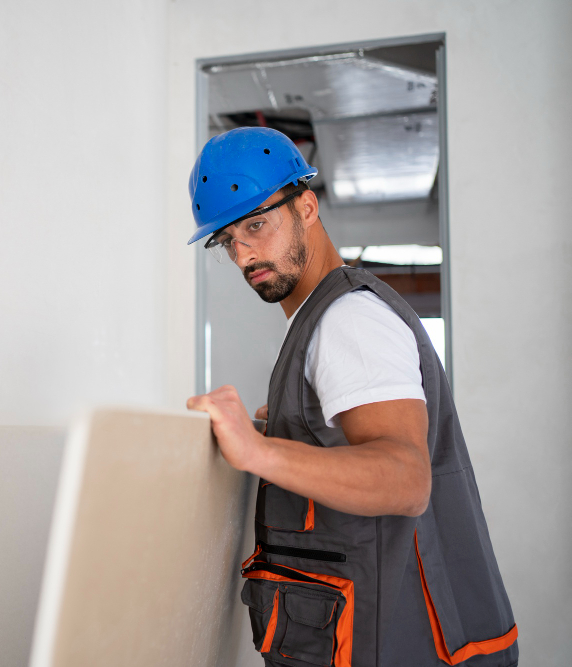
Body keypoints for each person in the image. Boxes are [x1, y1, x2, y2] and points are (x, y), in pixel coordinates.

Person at [184, 127, 517, 667]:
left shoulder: (348, 321)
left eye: (257, 224)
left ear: (307, 206)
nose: (244, 255)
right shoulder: (329, 316)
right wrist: (290, 434)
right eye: (228, 240)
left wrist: (258, 450)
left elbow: (406, 479)